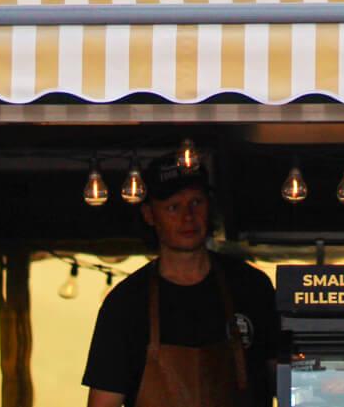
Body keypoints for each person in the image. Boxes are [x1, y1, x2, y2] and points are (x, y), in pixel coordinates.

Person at [83, 154, 280, 407]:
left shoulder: (251, 287)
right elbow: (103, 404)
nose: (188, 216)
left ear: (210, 206)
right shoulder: (126, 304)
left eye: (196, 202)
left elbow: (288, 388)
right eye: (173, 207)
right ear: (149, 214)